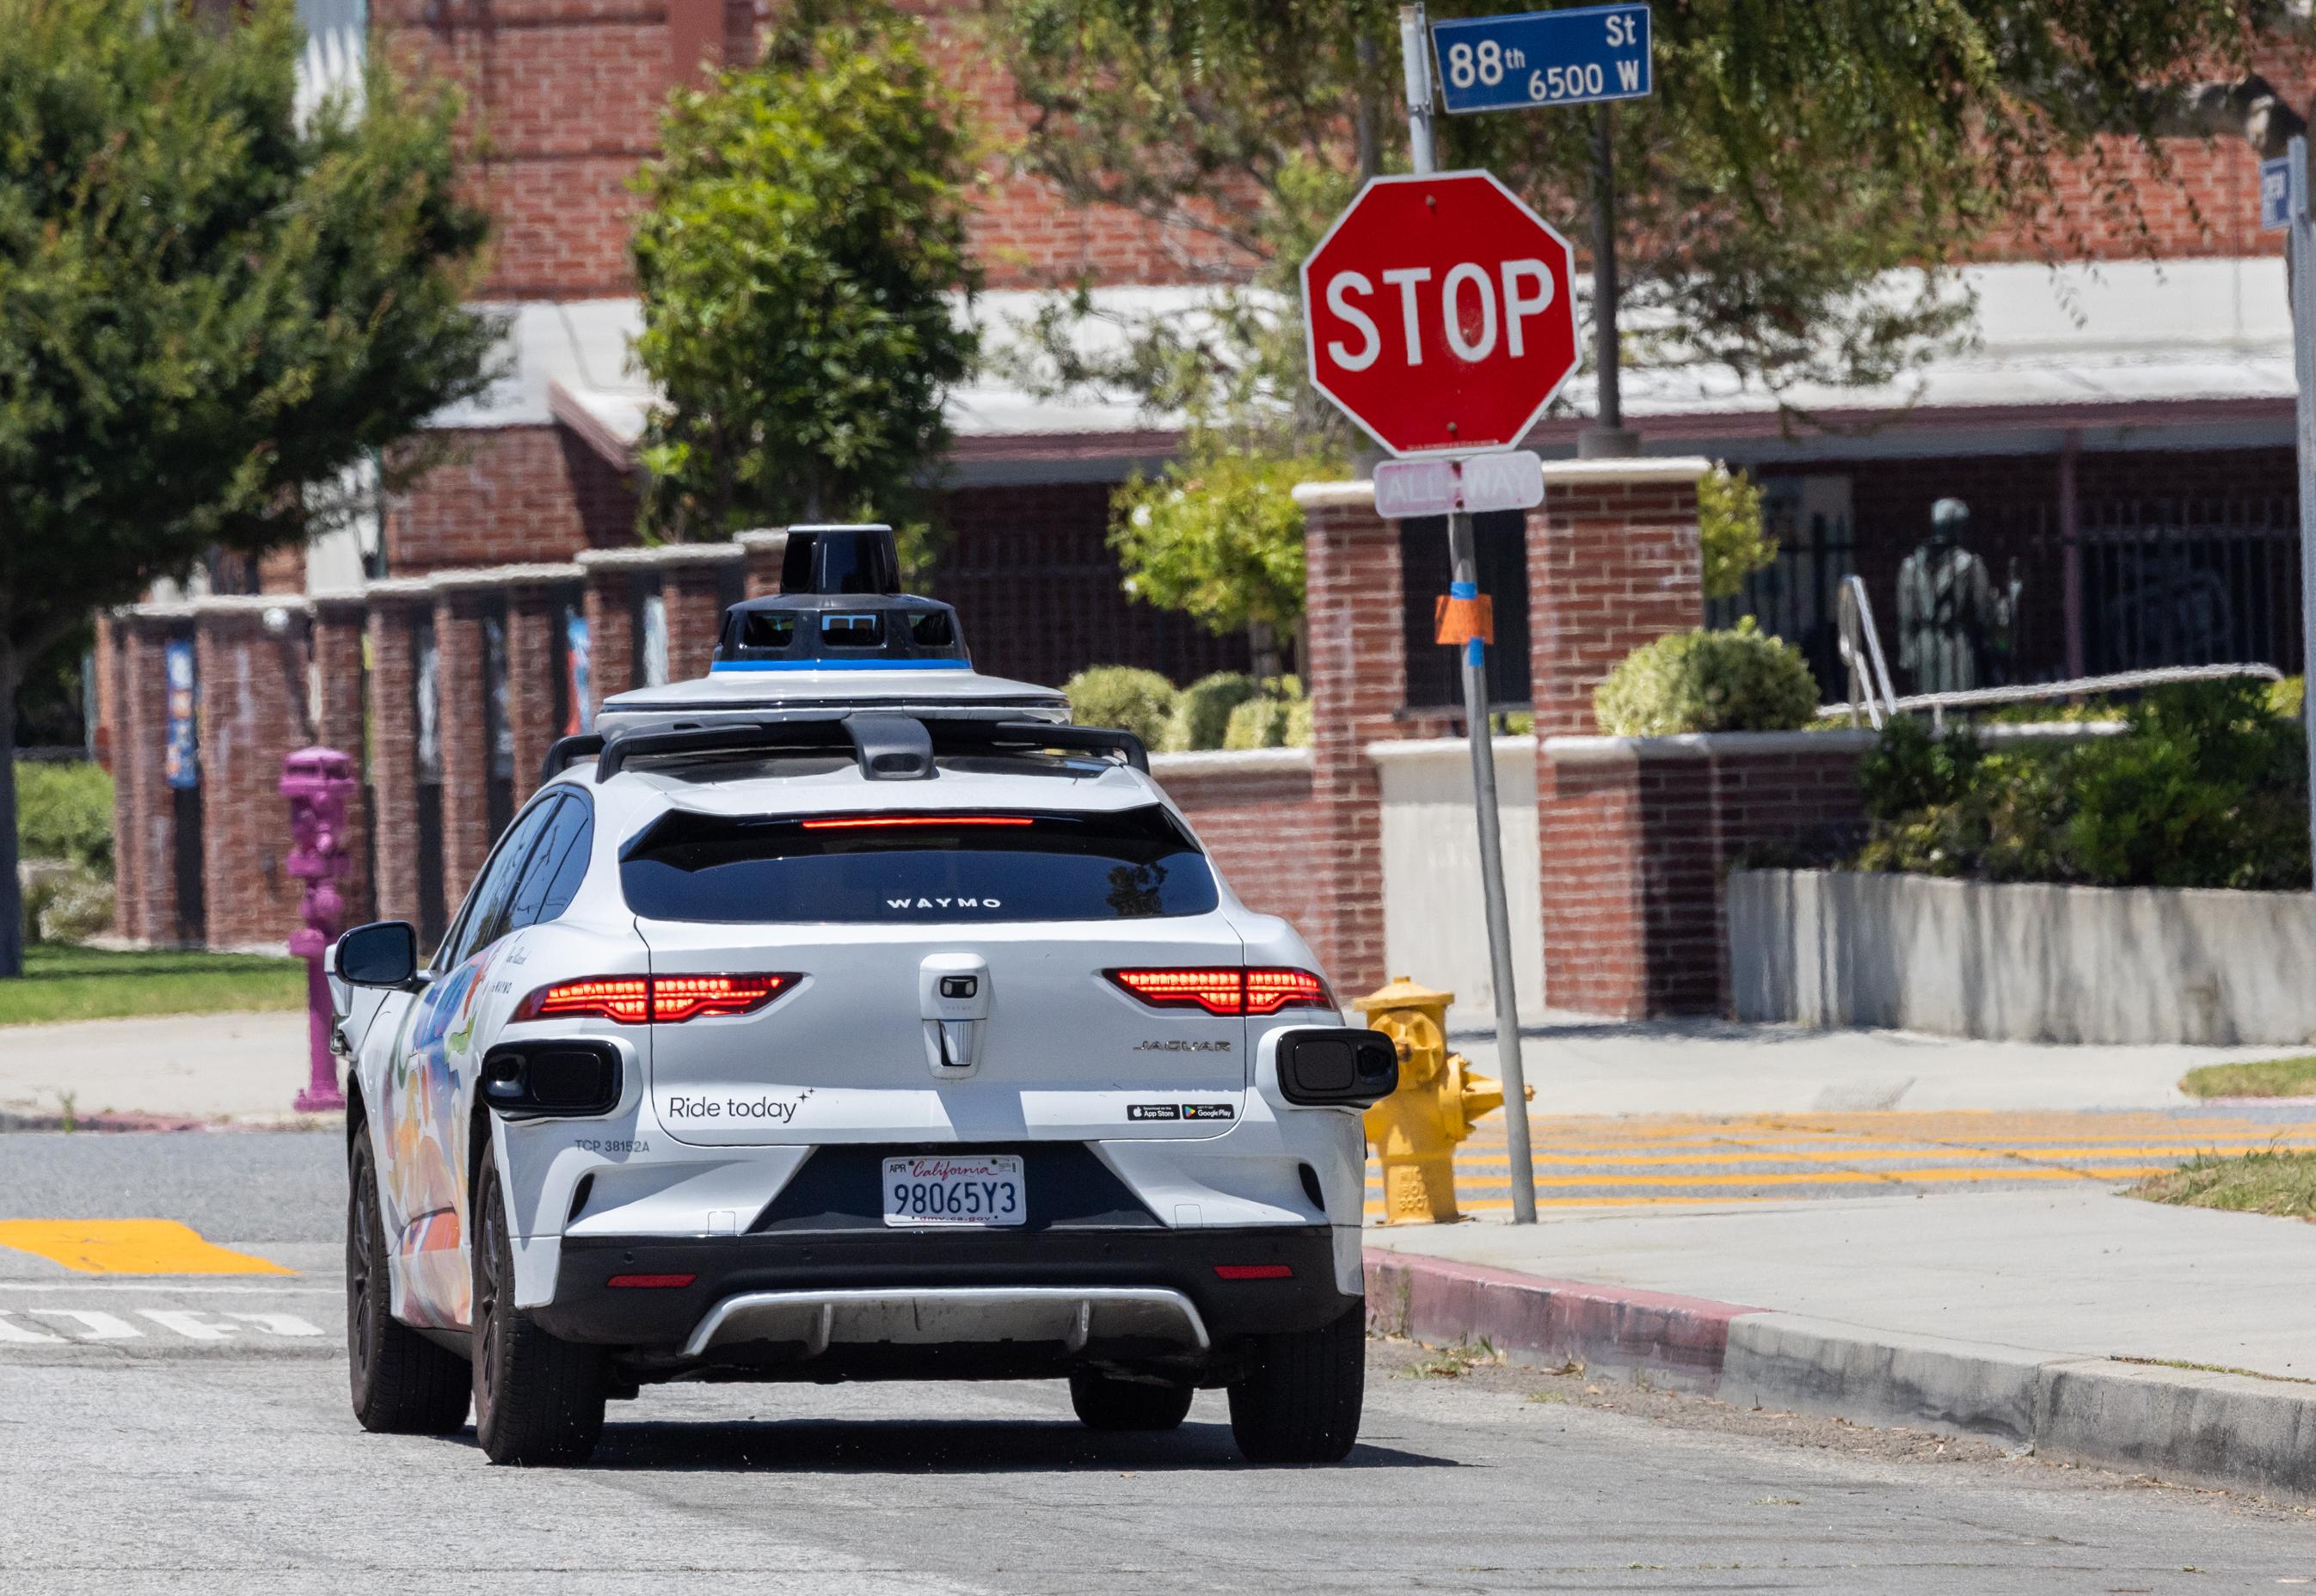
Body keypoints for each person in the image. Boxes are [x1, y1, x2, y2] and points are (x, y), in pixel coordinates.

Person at [1895, 498, 2014, 693]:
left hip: (1923, 646)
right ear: (1959, 528)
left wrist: (1907, 653)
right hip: (1956, 643)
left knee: (1928, 708)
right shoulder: (1970, 564)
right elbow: (1982, 616)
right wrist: (2001, 607)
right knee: (1958, 707)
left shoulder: (1910, 566)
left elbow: (1905, 618)